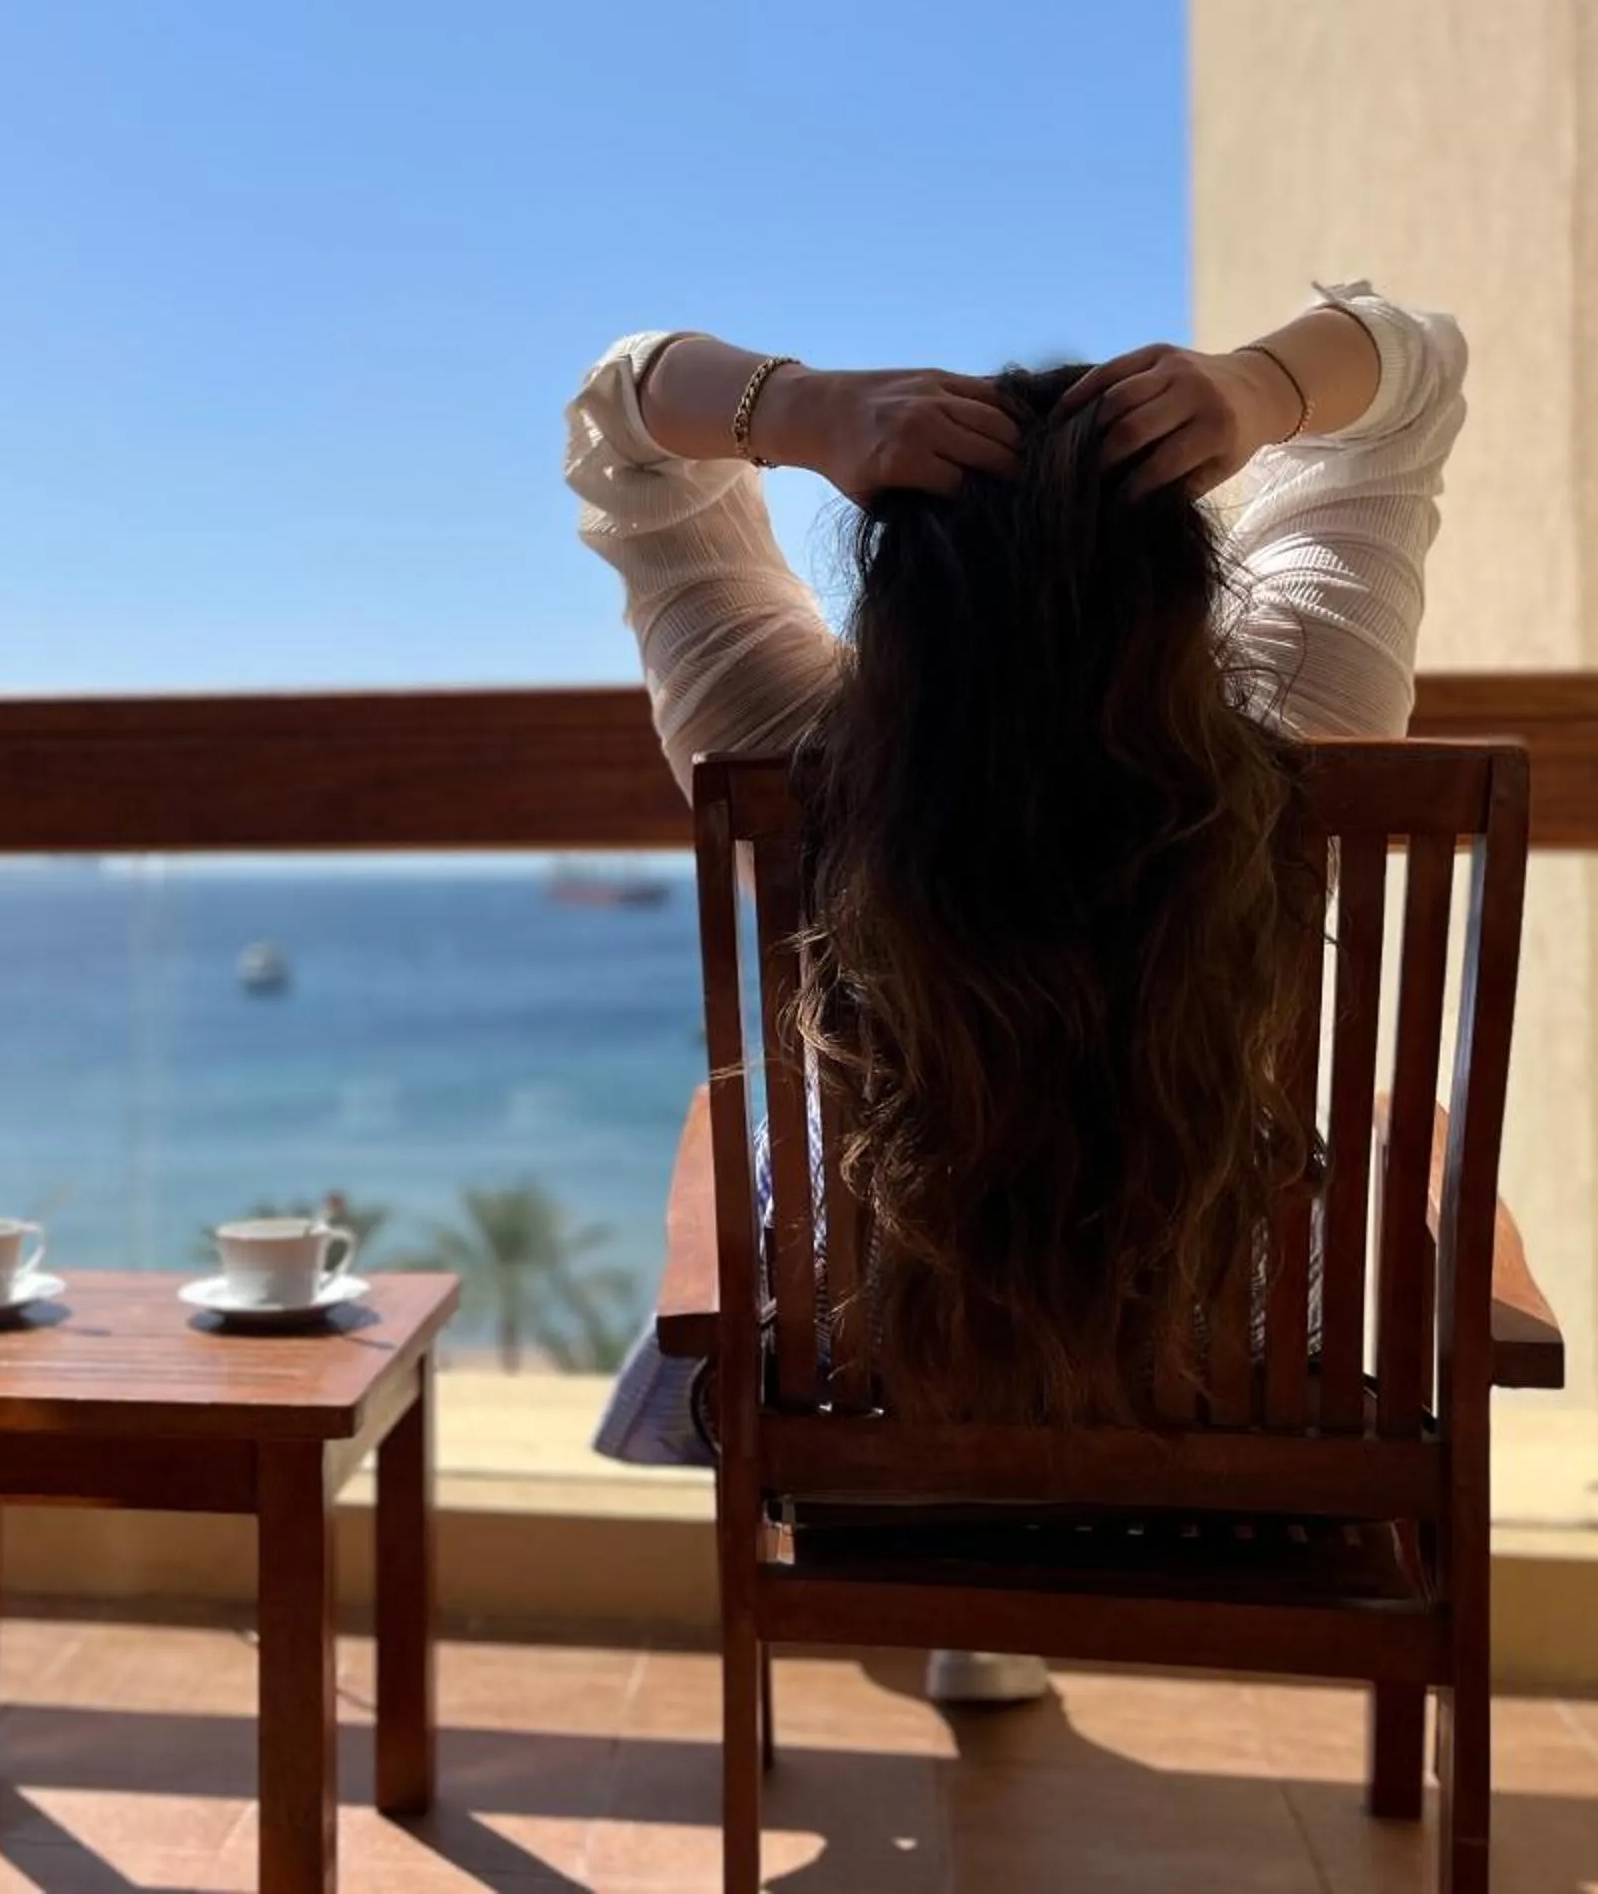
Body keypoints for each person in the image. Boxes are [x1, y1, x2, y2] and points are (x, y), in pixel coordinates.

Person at [568, 285, 1467, 1707]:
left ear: (897, 587)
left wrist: (811, 413)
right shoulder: (1314, 710)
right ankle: (1007, 1575)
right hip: (1238, 1403)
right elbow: (1416, 372)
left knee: (788, 1156)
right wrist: (1254, 392)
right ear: (1186, 576)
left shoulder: (787, 745)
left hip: (883, 1411)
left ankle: (972, 1582)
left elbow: (624, 416)